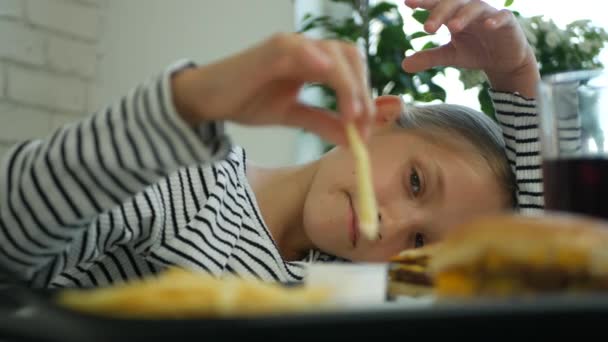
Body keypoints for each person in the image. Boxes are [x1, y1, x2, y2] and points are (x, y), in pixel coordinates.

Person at [0, 0, 542, 288]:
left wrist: (519, 80)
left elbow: (554, 290)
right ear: (377, 120)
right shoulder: (196, 189)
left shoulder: (355, 294)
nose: (390, 227)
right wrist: (181, 106)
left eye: (421, 243)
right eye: (415, 182)